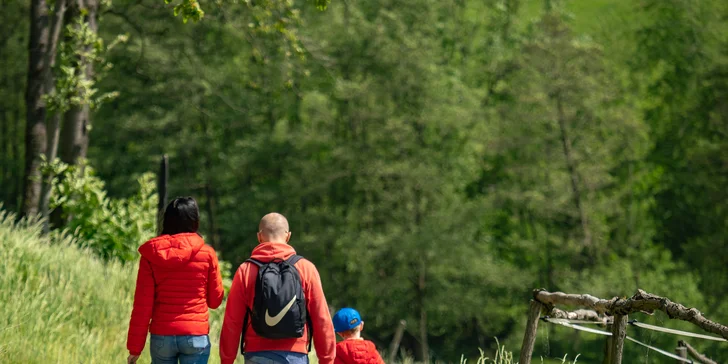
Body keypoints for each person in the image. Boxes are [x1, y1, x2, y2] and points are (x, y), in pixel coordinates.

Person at [219, 212, 336, 364]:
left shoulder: (245, 270)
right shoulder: (306, 268)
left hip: (257, 354)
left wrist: (226, 359)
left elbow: (232, 321)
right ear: (288, 237)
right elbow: (321, 318)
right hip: (295, 355)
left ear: (259, 237)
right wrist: (327, 359)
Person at [126, 197, 225, 364]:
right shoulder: (207, 254)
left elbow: (143, 306)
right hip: (195, 335)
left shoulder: (151, 256)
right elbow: (215, 301)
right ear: (195, 220)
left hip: (162, 336)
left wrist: (135, 348)